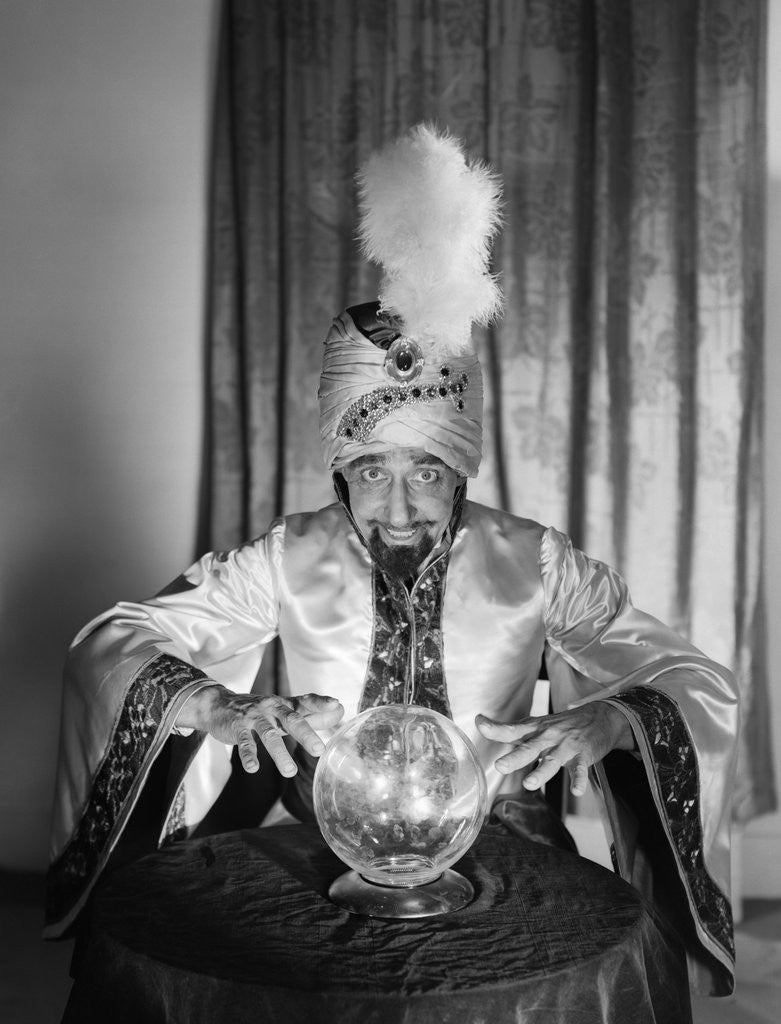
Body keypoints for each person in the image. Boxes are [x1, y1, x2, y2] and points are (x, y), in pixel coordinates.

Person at [45, 126, 738, 1000]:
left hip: (507, 847)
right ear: (341, 468)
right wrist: (210, 703)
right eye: (372, 472)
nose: (399, 507)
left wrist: (613, 721)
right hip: (306, 848)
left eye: (427, 473)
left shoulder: (538, 564)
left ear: (462, 469)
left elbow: (691, 676)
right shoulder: (284, 557)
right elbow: (112, 642)